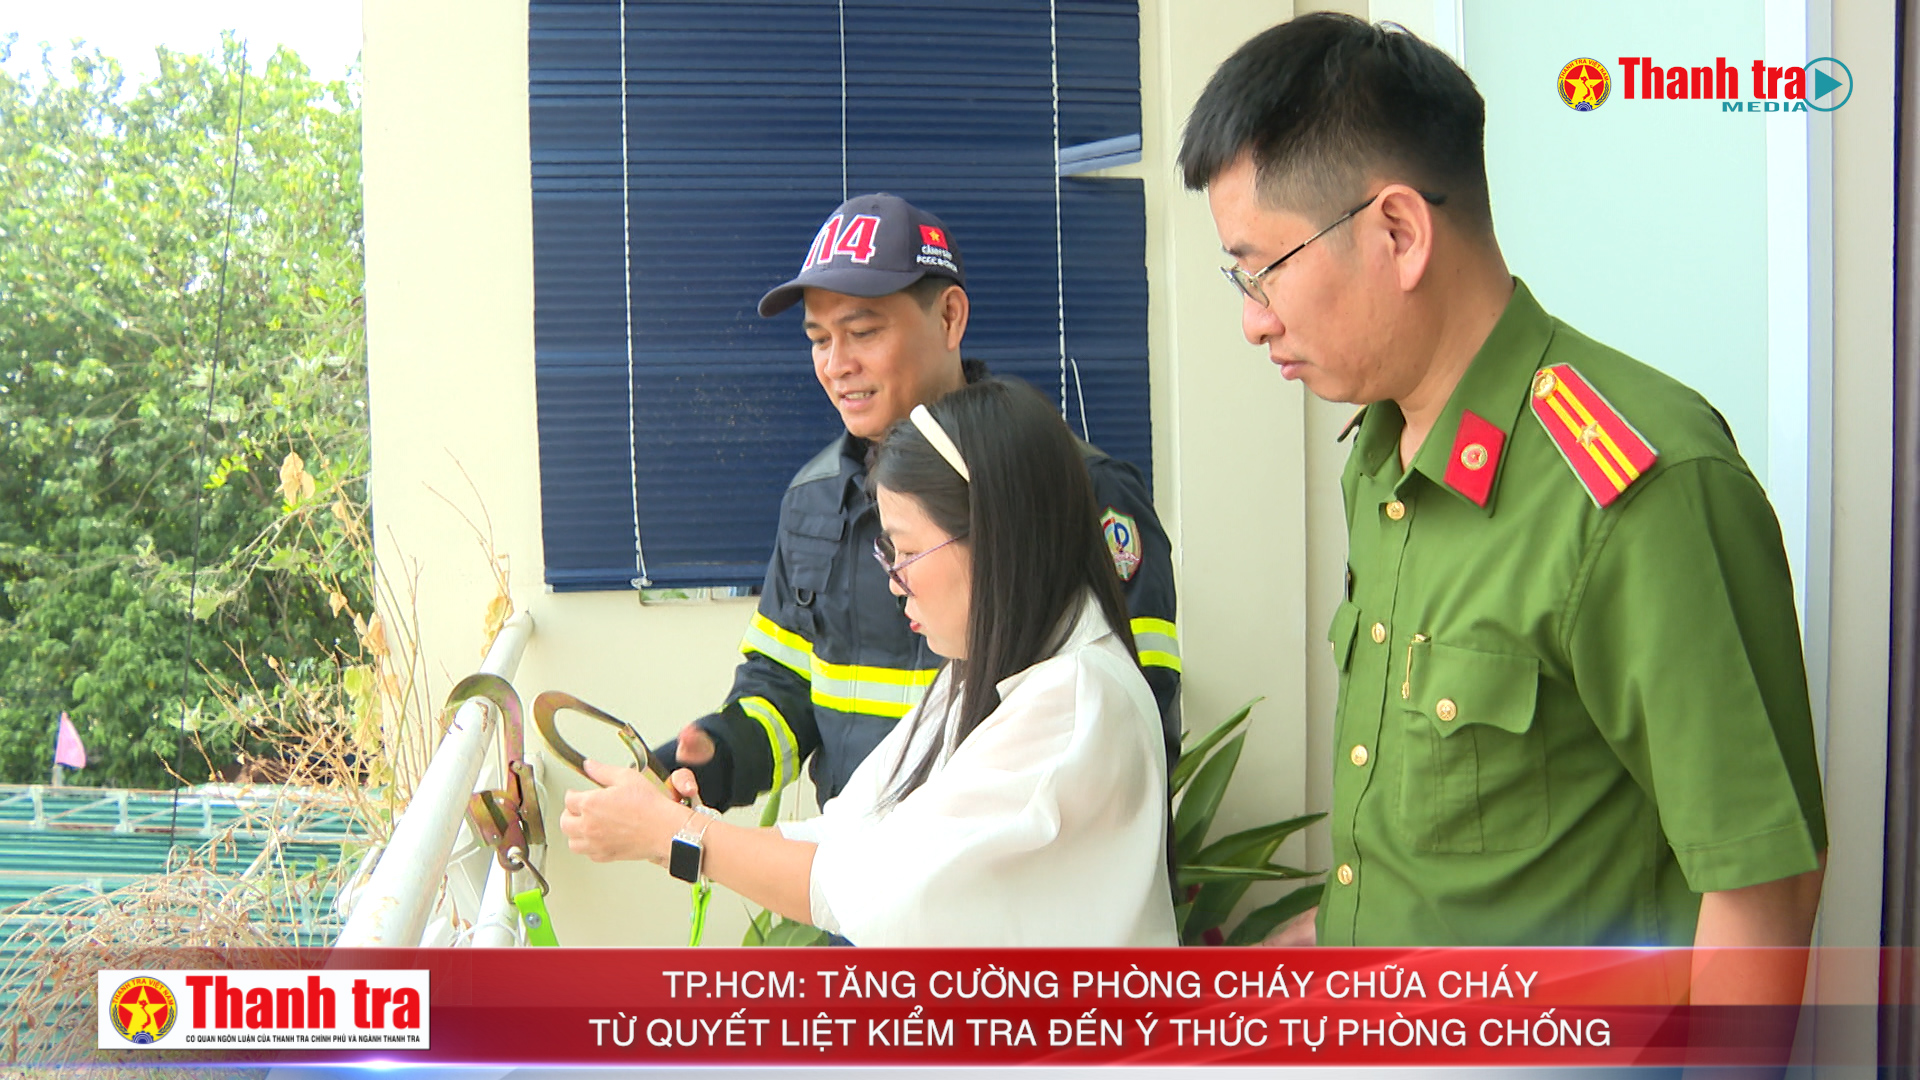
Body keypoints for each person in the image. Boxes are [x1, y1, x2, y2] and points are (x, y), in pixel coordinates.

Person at [1178, 14, 1826, 993]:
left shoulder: (1636, 492)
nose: (1251, 319)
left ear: (1398, 232)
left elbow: (1761, 890)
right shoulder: (1385, 457)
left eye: (1262, 268)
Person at [560, 380, 1178, 947]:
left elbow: (868, 893)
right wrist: (679, 817)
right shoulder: (986, 673)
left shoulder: (1070, 704)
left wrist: (675, 838)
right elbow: (851, 831)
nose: (894, 582)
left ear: (996, 538)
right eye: (885, 550)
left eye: (904, 551)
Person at [655, 193, 1181, 813]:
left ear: (950, 318)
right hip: (853, 888)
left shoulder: (1077, 493)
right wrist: (718, 758)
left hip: (1007, 887)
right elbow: (782, 687)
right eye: (819, 338)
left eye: (863, 332)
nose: (835, 365)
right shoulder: (813, 501)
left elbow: (1131, 720)